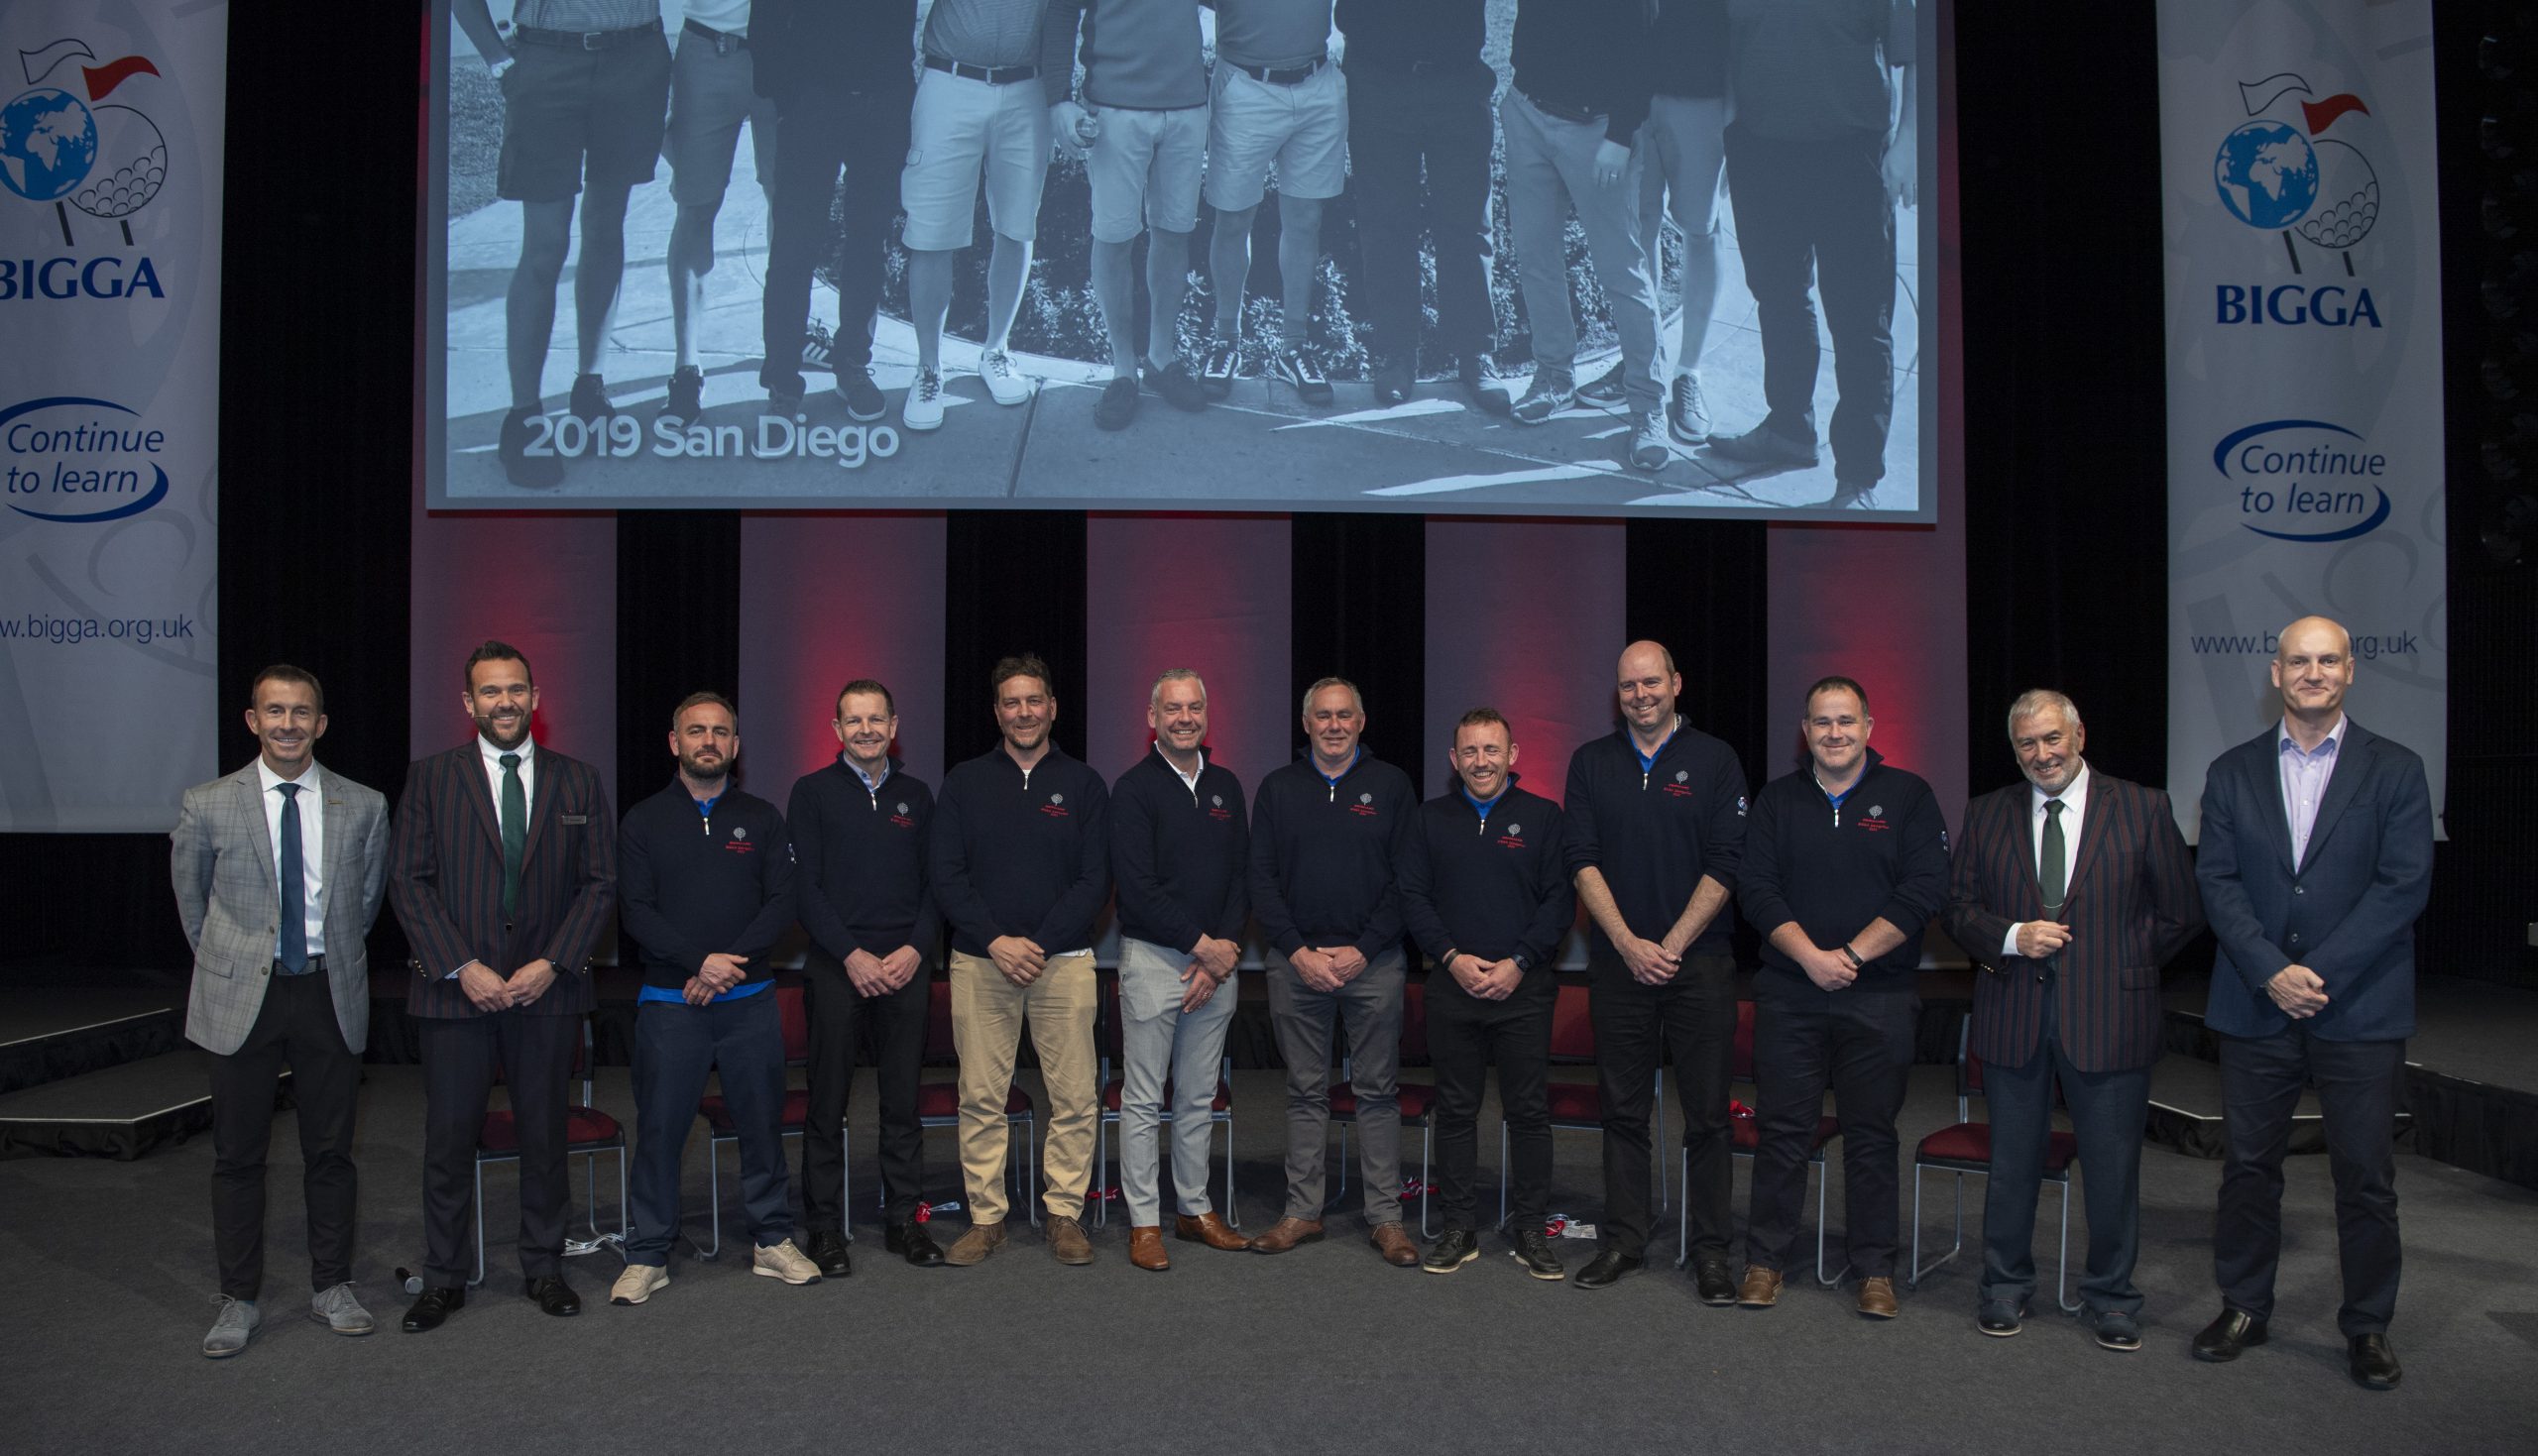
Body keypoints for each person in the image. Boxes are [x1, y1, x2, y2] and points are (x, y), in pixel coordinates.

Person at [2191, 616, 2433, 1391]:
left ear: (2351, 671)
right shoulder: (2229, 772)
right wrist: (2270, 970)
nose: (2314, 672)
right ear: (2275, 672)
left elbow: (2403, 886)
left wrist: (2314, 972)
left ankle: (2368, 1325)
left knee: (2365, 1177)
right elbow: (2217, 883)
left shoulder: (2396, 769)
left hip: (2357, 1005)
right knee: (2249, 1170)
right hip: (2257, 1003)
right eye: (2300, 660)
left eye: (2328, 660)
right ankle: (2244, 1306)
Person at [1941, 690, 2203, 1349]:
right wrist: (2009, 936)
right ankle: (2004, 1286)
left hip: (2113, 1016)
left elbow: (2180, 911)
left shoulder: (2142, 806)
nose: (2042, 754)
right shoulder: (1987, 812)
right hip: (2013, 1016)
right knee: (2012, 1165)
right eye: (2027, 743)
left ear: (2079, 733)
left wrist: (2120, 962)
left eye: (2052, 738)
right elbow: (1958, 909)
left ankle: (2112, 1297)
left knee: (2113, 1170)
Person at [388, 640, 618, 1331]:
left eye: (516, 688)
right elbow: (409, 880)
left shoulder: (579, 781)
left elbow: (600, 882)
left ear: (536, 697)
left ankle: (544, 1268)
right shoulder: (430, 778)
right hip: (457, 993)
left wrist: (552, 961)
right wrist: (464, 965)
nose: (505, 701)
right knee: (449, 1138)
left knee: (545, 1135)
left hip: (546, 990)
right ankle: (445, 1276)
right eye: (490, 691)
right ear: (468, 703)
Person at [173, 666, 391, 1358]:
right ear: (252, 719)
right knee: (237, 1155)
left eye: (301, 712)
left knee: (331, 1153)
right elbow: (192, 906)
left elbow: (363, 903)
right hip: (243, 995)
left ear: (320, 724)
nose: (288, 724)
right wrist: (235, 961)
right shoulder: (207, 803)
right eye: (275, 711)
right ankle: (237, 1297)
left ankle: (332, 1285)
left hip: (329, 992)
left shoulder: (363, 804)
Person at [1732, 676, 1946, 1317]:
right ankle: (1766, 1260)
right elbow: (1757, 890)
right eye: (1822, 722)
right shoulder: (1776, 800)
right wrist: (1813, 959)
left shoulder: (1909, 797)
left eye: (1846, 721)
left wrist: (1850, 957)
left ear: (1870, 726)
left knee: (1873, 1136)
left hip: (1877, 995)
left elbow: (1922, 891)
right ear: (1806, 730)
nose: (1834, 733)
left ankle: (1875, 1269)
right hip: (1791, 993)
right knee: (1783, 1132)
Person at [609, 693, 821, 1305]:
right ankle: (649, 1252)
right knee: (660, 1132)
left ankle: (773, 1240)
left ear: (735, 745)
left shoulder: (761, 818)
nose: (709, 741)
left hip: (750, 1003)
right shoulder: (644, 820)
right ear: (674, 742)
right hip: (670, 1005)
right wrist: (697, 962)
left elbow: (782, 901)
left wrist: (725, 966)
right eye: (696, 731)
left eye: (720, 732)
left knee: (761, 1128)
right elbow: (636, 910)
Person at [1562, 641, 1747, 1295]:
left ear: (1676, 682)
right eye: (1628, 685)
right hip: (1619, 967)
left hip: (1700, 966)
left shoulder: (1716, 759)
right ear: (1618, 693)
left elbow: (1728, 861)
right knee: (1623, 1112)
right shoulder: (1590, 763)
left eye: (1651, 681)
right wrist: (1629, 943)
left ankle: (1712, 1250)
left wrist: (1667, 943)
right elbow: (1581, 860)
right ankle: (1625, 1240)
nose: (1640, 693)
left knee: (1709, 1118)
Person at [928, 655, 1110, 1266]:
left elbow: (1095, 879)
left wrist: (1041, 942)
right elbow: (946, 878)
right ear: (997, 711)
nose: (1024, 711)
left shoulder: (1084, 784)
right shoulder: (964, 781)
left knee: (1076, 1096)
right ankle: (987, 1219)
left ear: (1053, 707)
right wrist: (998, 941)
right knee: (980, 1095)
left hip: (1066, 960)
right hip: (982, 962)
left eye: (1034, 700)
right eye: (1012, 702)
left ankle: (1064, 1213)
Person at [452, 0, 672, 489]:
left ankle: (589, 389)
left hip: (635, 58)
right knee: (546, 246)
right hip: (549, 61)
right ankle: (525, 419)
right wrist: (496, 57)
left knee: (606, 225)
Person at [1711, 0, 1917, 508]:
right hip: (1761, 152)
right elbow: (1729, 45)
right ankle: (1789, 429)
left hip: (1851, 155)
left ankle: (1858, 476)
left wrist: (1909, 140)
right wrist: (1730, 134)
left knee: (1860, 319)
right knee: (1777, 296)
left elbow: (1917, 52)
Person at [1246, 678, 1421, 1267]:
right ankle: (1302, 1212)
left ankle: (1386, 1219)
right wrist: (1296, 951)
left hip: (1373, 963)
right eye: (1323, 715)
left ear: (1362, 721)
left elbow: (1408, 881)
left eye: (1345, 714)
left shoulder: (1392, 786)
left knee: (1376, 1092)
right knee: (1303, 1092)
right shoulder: (1277, 789)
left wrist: (1363, 950)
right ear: (1306, 723)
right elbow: (1260, 880)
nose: (1334, 725)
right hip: (1296, 964)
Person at [1396, 709, 1572, 1280]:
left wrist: (1519, 963)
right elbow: (1414, 898)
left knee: (1528, 1113)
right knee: (1455, 1112)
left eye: (1491, 750)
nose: (1481, 761)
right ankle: (1459, 1227)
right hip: (1453, 987)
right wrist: (1450, 958)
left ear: (1513, 754)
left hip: (1524, 988)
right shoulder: (1428, 820)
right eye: (1469, 752)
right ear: (1453, 760)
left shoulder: (1545, 819)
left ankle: (1529, 1230)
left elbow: (1559, 904)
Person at [787, 679, 946, 1276]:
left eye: (876, 719)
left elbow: (938, 885)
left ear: (894, 725)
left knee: (901, 1103)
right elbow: (807, 889)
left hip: (906, 967)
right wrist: (851, 954)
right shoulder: (811, 794)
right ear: (836, 731)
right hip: (836, 968)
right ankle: (825, 1230)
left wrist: (915, 948)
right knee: (827, 1105)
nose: (866, 730)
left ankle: (905, 1220)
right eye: (853, 721)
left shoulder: (918, 795)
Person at [1106, 670, 1254, 1270]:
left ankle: (1194, 1210)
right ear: (1152, 718)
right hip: (1153, 962)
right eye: (1173, 709)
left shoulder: (1226, 786)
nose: (1185, 718)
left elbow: (1241, 879)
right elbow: (1136, 891)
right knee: (1143, 1100)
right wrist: (1204, 947)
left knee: (1198, 1098)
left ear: (1206, 714)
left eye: (1195, 707)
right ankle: (1145, 1222)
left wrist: (1218, 956)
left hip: (1214, 968)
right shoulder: (1133, 789)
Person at [1499, 0, 1671, 471]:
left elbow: (1645, 48)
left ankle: (1647, 407)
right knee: (1535, 256)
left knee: (1622, 271)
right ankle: (1554, 375)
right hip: (1528, 111)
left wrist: (1620, 135)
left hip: (1598, 132)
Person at [1042, 0, 1212, 430]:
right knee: (1114, 238)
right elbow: (1061, 12)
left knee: (1174, 233)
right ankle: (1123, 371)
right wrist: (1058, 98)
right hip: (1114, 108)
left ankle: (1161, 358)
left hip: (1188, 105)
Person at [1334, 0, 1502, 410]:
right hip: (1378, 82)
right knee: (1386, 225)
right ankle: (1397, 354)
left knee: (1467, 223)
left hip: (1457, 81)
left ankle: (1475, 352)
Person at [754, 0, 916, 422]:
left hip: (885, 99)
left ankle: (852, 367)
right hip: (812, 100)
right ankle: (783, 383)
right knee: (794, 246)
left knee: (869, 239)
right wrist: (785, 95)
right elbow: (767, 16)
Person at [900, 0, 1054, 433]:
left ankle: (997, 350)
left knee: (1018, 225)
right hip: (950, 81)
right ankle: (929, 369)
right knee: (931, 234)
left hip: (1027, 87)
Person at [1197, 0, 1347, 407]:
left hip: (1317, 81)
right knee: (1232, 219)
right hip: (1245, 85)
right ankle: (1226, 342)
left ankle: (1293, 347)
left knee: (1305, 220)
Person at [656, 1, 779, 426]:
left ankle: (783, 355)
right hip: (708, 49)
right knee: (696, 206)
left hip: (786, 48)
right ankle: (686, 366)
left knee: (787, 205)